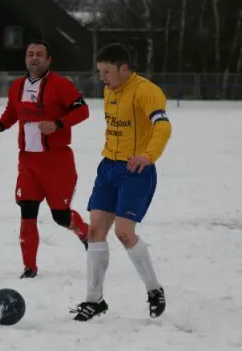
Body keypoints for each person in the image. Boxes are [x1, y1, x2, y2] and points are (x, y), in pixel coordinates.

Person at [70, 43, 172, 321]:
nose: (102, 77)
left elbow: (163, 126)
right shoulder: (110, 90)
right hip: (108, 168)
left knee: (124, 233)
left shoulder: (146, 91)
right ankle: (94, 300)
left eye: (107, 71)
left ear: (124, 68)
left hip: (135, 170)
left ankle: (154, 289)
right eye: (99, 71)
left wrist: (148, 155)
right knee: (94, 232)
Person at [0, 40, 91, 278]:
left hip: (57, 162)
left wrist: (57, 124)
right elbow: (12, 112)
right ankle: (29, 268)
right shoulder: (17, 86)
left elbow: (83, 111)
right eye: (30, 54)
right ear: (26, 58)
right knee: (27, 211)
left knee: (60, 216)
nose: (34, 58)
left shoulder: (61, 85)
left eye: (39, 54)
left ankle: (86, 234)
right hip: (28, 162)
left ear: (48, 60)